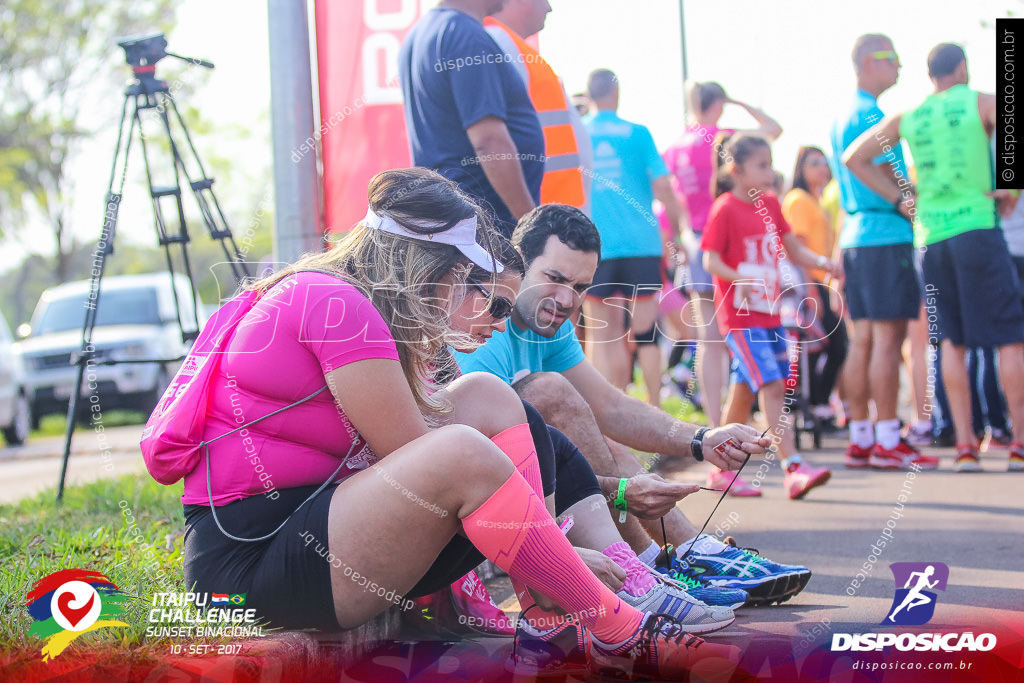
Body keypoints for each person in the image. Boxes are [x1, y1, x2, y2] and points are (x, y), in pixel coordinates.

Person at [173, 168, 735, 678]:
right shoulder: (336, 303)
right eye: (460, 273)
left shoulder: (354, 304)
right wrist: (559, 553)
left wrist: (550, 549)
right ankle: (616, 627)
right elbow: (421, 462)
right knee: (460, 451)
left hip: (307, 535)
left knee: (487, 396)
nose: (462, 285)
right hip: (247, 569)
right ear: (422, 261)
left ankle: (548, 622)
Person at [456, 203, 814, 606]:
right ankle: (648, 566)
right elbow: (494, 462)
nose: (565, 299)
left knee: (597, 436)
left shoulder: (548, 319)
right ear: (517, 266)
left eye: (579, 288)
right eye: (554, 278)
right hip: (476, 493)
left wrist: (701, 439)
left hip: (523, 487)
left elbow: (610, 407)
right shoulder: (485, 322)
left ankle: (688, 553)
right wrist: (619, 493)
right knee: (548, 394)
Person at [845, 43, 1024, 473]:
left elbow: (855, 157)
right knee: (1009, 339)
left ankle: (965, 445)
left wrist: (901, 198)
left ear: (929, 75)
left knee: (950, 342)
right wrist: (1010, 188)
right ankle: (1018, 443)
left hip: (930, 238)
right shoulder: (981, 100)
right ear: (962, 67)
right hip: (977, 227)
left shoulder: (911, 115)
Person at [701, 134, 840, 500]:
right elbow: (710, 261)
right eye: (761, 164)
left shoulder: (773, 205)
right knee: (774, 385)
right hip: (741, 317)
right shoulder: (726, 208)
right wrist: (740, 277)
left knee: (744, 393)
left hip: (770, 315)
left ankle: (719, 469)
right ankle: (793, 467)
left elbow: (794, 249)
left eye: (770, 162)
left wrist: (826, 265)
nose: (769, 170)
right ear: (737, 170)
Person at [830, 34, 936, 471]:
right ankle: (889, 436)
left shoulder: (844, 114)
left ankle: (863, 439)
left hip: (858, 234)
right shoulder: (873, 114)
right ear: (867, 63)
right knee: (887, 341)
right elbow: (874, 169)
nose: (899, 66)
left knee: (866, 340)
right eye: (891, 58)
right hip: (882, 232)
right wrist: (903, 200)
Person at [662, 82, 783, 437]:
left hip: (696, 240)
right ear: (719, 102)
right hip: (731, 244)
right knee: (744, 333)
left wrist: (677, 237)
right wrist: (741, 102)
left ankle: (717, 424)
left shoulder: (675, 146)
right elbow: (775, 129)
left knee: (710, 340)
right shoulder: (727, 137)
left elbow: (668, 196)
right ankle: (739, 423)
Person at [582, 68, 688, 400]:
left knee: (603, 335)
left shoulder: (579, 134)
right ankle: (653, 417)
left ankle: (612, 417)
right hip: (642, 244)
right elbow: (664, 188)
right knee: (646, 335)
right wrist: (677, 237)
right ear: (617, 93)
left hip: (595, 247)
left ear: (588, 96)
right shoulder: (638, 133)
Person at [399, 0, 543, 237]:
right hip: (486, 225)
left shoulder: (421, 32)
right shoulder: (466, 36)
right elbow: (488, 140)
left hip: (456, 218)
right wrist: (530, 228)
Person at [484, 0, 592, 216]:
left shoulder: (512, 46)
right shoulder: (498, 43)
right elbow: (493, 139)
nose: (549, 8)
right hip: (543, 217)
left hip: (551, 214)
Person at [782, 146, 848, 423]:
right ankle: (814, 405)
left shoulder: (816, 200)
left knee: (828, 344)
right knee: (834, 343)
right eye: (814, 163)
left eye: (824, 162)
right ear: (800, 168)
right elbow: (798, 248)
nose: (822, 167)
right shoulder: (798, 200)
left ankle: (816, 406)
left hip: (822, 281)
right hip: (809, 283)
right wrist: (811, 290)